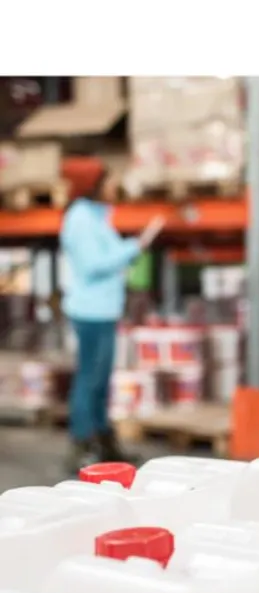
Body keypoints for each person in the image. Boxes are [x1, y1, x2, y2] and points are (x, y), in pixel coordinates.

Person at [60, 168, 164, 472]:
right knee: (89, 379)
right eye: (109, 183)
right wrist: (133, 248)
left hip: (104, 310)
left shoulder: (97, 217)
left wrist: (131, 247)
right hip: (90, 311)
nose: (114, 188)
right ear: (93, 185)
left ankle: (103, 442)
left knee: (101, 382)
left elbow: (107, 253)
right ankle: (81, 443)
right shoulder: (80, 219)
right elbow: (93, 264)